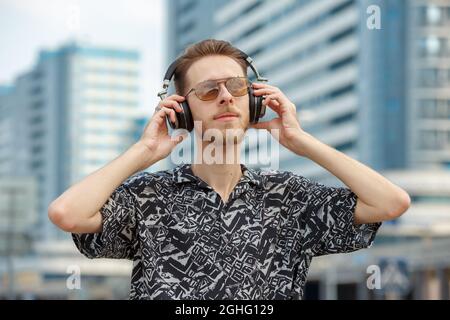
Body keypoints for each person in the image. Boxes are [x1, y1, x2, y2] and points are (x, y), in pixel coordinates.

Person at [48, 39, 410, 300]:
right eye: (207, 90)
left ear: (254, 100)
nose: (225, 96)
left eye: (236, 86)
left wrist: (301, 141)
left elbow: (390, 203)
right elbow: (67, 213)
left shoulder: (289, 198)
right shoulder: (148, 198)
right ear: (181, 111)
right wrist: (142, 152)